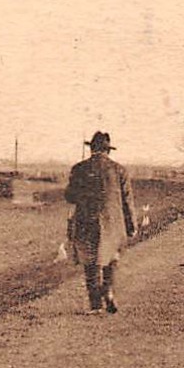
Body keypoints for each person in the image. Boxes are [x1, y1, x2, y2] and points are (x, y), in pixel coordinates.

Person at [65, 131, 137, 314]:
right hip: (113, 222)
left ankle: (96, 305)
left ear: (91, 149)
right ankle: (109, 291)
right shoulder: (120, 170)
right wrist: (131, 226)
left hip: (85, 221)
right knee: (111, 258)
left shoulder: (79, 168)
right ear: (108, 150)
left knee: (90, 261)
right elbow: (127, 201)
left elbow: (70, 196)